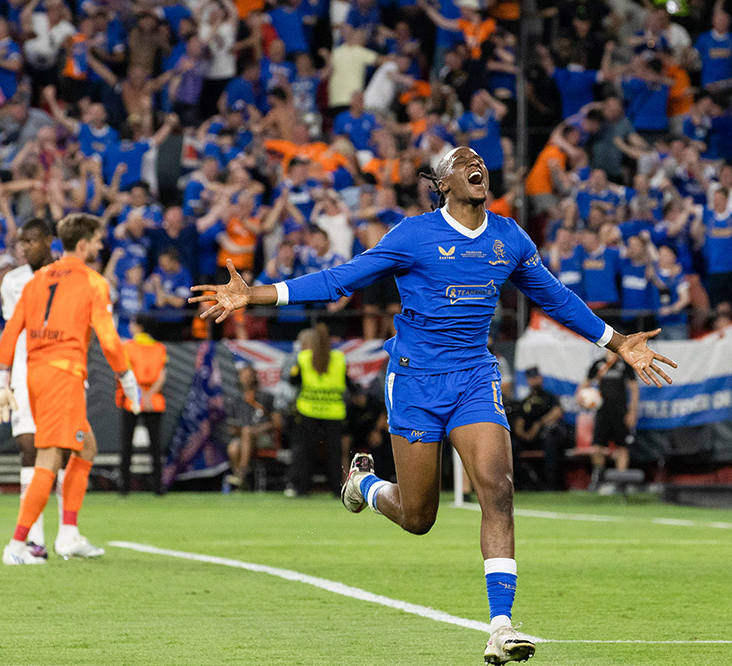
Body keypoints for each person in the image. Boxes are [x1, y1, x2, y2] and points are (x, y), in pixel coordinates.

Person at [191, 146, 678, 664]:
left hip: (474, 378)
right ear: (443, 182)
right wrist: (256, 295)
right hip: (416, 384)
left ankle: (501, 626)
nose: (479, 167)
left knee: (500, 488)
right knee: (419, 515)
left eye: (482, 163)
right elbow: (340, 279)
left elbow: (555, 298)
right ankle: (366, 484)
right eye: (465, 162)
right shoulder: (412, 235)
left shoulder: (509, 237)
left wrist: (619, 341)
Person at [0, 213, 141, 565]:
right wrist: (128, 381)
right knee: (50, 457)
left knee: (86, 447)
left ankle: (68, 535)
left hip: (36, 374)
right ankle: (17, 545)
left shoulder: (37, 280)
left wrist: (1, 380)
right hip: (63, 375)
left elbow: (12, 332)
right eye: (99, 242)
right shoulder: (92, 281)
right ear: (83, 244)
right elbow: (109, 339)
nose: (102, 247)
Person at [0, 218, 59, 558]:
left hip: (64, 371)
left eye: (31, 240)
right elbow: (13, 331)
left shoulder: (69, 275)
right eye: (21, 241)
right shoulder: (12, 281)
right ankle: (35, 539)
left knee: (66, 452)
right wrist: (3, 380)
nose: (24, 247)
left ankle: (68, 532)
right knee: (29, 448)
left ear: (50, 241)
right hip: (25, 372)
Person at [286, 324, 348, 497]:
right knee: (334, 454)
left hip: (308, 410)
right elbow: (348, 382)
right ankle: (337, 489)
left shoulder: (304, 358)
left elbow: (293, 380)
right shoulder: (340, 358)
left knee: (305, 452)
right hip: (334, 411)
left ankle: (303, 488)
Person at [116, 319, 168, 495]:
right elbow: (162, 375)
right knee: (156, 447)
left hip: (132, 398)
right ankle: (158, 487)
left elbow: (125, 373)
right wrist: (148, 395)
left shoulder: (128, 347)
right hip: (154, 399)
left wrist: (139, 395)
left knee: (126, 445)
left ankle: (124, 487)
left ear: (139, 327)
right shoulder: (160, 348)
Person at [582, 350, 639, 491]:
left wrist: (632, 411)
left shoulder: (625, 365)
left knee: (622, 447)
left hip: (620, 412)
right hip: (602, 412)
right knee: (597, 447)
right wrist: (583, 398)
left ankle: (621, 483)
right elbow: (584, 385)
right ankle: (598, 477)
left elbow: (634, 388)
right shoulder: (598, 364)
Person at [225, 365, 280, 491]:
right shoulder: (237, 400)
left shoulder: (266, 397)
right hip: (244, 438)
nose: (246, 379)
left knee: (247, 431)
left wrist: (257, 430)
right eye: (243, 376)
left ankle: (241, 474)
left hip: (264, 438)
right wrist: (237, 430)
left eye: (249, 376)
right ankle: (241, 484)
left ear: (254, 377)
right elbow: (233, 425)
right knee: (233, 448)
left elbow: (277, 423)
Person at [512, 367, 565, 491]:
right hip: (530, 436)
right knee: (512, 445)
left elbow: (558, 411)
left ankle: (550, 483)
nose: (535, 381)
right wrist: (524, 434)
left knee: (550, 442)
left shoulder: (549, 397)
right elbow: (519, 422)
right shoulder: (525, 400)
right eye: (532, 378)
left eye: (536, 377)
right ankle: (519, 482)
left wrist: (539, 424)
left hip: (544, 435)